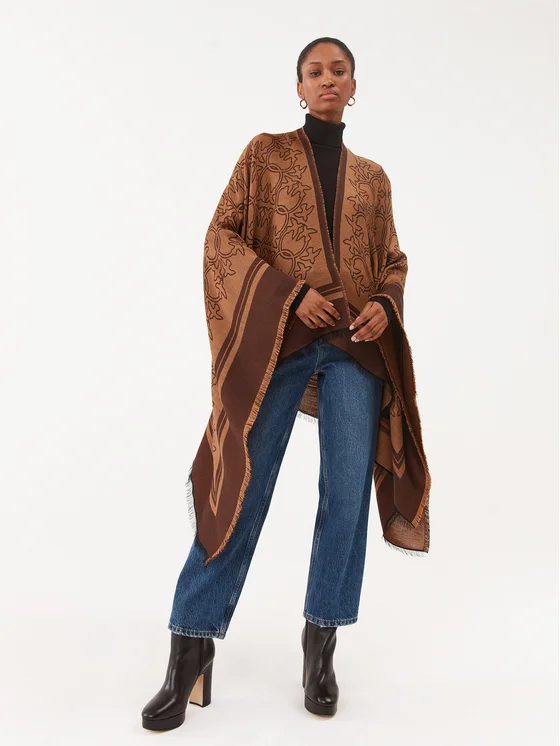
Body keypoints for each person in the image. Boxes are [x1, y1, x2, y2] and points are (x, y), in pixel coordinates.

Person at [142, 36, 430, 730]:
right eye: (314, 71)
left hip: (355, 350)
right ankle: (189, 648)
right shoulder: (264, 155)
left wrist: (383, 303)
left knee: (345, 497)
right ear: (298, 88)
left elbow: (392, 260)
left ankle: (320, 643)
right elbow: (223, 238)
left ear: (353, 85)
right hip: (282, 343)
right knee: (241, 484)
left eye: (339, 70)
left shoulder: (374, 179)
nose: (327, 79)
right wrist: (291, 294)